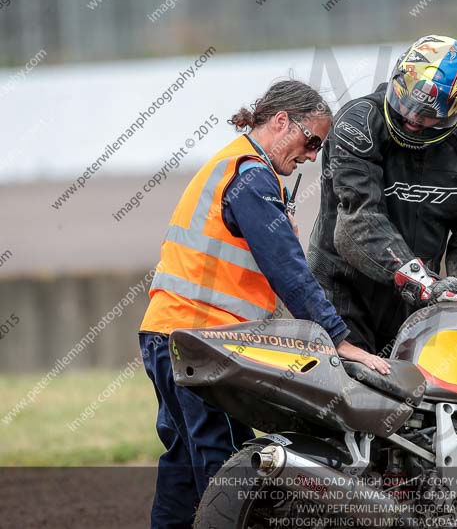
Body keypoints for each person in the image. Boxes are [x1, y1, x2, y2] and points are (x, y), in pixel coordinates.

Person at [138, 80, 389, 529]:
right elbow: (287, 268)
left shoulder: (233, 166)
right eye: (311, 140)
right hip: (201, 340)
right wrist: (339, 339)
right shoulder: (252, 176)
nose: (312, 155)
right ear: (280, 122)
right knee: (227, 468)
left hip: (168, 333)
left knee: (185, 461)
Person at [308, 35, 457, 355]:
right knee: (355, 395)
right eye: (406, 102)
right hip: (340, 292)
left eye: (427, 113)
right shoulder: (358, 122)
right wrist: (424, 283)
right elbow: (357, 222)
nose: (411, 118)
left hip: (416, 303)